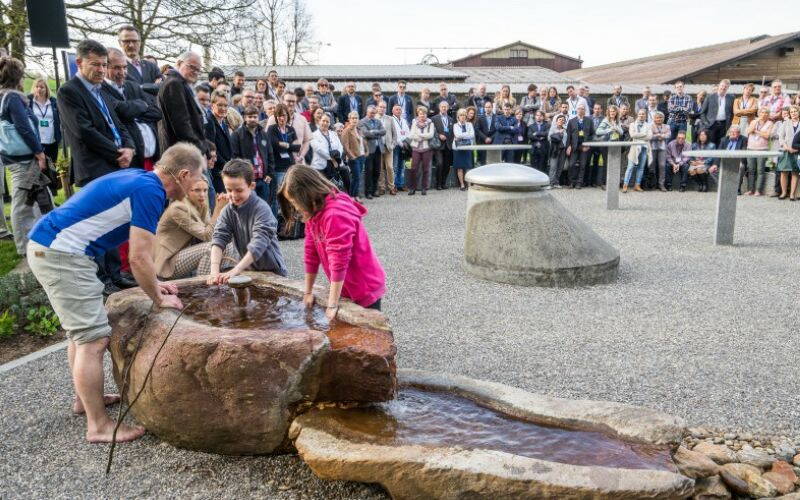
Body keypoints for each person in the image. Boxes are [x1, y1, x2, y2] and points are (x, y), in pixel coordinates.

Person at [28, 142, 203, 444]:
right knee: (93, 339)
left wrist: (155, 284)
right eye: (196, 179)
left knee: (80, 335)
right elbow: (138, 258)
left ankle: (85, 400)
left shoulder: (140, 178)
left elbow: (140, 261)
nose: (196, 186)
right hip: (62, 255)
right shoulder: (151, 192)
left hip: (52, 248)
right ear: (184, 174)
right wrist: (159, 299)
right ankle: (99, 426)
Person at [57, 40, 136, 293]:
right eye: (96, 65)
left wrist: (129, 148)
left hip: (114, 165)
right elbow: (83, 131)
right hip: (95, 168)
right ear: (79, 63)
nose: (101, 70)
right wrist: (116, 154)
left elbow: (120, 124)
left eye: (104, 65)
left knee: (113, 222)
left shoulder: (101, 91)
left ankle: (115, 274)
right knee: (99, 226)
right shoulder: (69, 91)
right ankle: (103, 280)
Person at [277, 165, 385, 319]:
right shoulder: (313, 213)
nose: (295, 207)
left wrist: (332, 304)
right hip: (347, 286)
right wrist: (308, 292)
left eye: (294, 202)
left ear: (306, 194)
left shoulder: (335, 214)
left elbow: (339, 260)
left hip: (364, 287)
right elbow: (311, 254)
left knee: (368, 337)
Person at [0, 57, 51, 256]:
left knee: (37, 198)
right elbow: (23, 127)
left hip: (14, 158)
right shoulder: (12, 97)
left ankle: (39, 238)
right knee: (22, 203)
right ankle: (24, 247)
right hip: (24, 160)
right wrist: (39, 152)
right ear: (18, 75)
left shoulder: (3, 96)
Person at [206, 159, 286, 284]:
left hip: (273, 271)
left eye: (239, 190)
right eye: (229, 190)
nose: (233, 195)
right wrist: (214, 271)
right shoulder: (227, 211)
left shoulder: (262, 209)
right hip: (246, 270)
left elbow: (258, 244)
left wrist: (235, 270)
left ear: (251, 186)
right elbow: (218, 238)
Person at [155, 176, 232, 279]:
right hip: (167, 263)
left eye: (205, 190)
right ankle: (204, 288)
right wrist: (218, 210)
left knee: (226, 244)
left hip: (183, 255)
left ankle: (220, 280)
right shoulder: (178, 208)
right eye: (197, 190)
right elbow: (208, 236)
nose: (202, 195)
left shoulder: (201, 204)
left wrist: (224, 209)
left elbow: (214, 232)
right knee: (209, 248)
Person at [102, 48, 162, 171]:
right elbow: (120, 110)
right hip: (129, 159)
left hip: (152, 157)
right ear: (105, 67)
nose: (122, 72)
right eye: (117, 68)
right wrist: (141, 105)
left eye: (125, 67)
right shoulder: (101, 89)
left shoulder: (131, 86)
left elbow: (156, 112)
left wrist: (133, 111)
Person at [158, 51, 208, 158]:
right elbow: (181, 123)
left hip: (183, 151)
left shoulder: (182, 84)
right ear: (179, 63)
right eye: (192, 67)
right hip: (179, 153)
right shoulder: (174, 84)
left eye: (198, 70)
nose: (195, 72)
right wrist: (199, 148)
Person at [231, 105, 273, 205]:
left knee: (263, 207)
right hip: (247, 180)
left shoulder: (263, 133)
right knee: (248, 207)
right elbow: (235, 157)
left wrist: (270, 173)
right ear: (245, 118)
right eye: (250, 117)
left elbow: (270, 154)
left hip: (263, 179)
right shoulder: (237, 135)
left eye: (255, 116)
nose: (252, 119)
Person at [310, 113, 350, 195]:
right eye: (323, 121)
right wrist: (332, 159)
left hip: (336, 162)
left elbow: (340, 147)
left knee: (345, 171)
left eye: (327, 122)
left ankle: (348, 196)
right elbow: (319, 150)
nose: (325, 123)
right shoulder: (314, 135)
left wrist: (337, 157)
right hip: (322, 164)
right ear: (319, 121)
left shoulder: (333, 134)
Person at [265, 104, 301, 192]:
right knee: (279, 193)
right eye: (279, 116)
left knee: (290, 193)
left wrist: (287, 145)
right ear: (276, 117)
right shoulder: (272, 129)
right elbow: (275, 144)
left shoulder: (291, 129)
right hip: (278, 168)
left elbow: (297, 147)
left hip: (290, 167)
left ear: (287, 116)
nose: (282, 118)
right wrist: (289, 146)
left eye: (284, 115)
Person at [205, 90, 233, 194]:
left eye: (226, 105)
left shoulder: (224, 124)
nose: (223, 108)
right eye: (220, 105)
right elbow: (211, 148)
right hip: (216, 171)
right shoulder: (209, 122)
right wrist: (226, 164)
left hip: (225, 169)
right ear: (212, 105)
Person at [28, 78, 61, 165]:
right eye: (37, 87)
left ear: (46, 89)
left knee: (52, 166)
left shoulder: (53, 102)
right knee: (39, 169)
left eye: (42, 87)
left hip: (52, 141)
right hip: (36, 142)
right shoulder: (29, 102)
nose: (39, 89)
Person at [357, 105, 386, 199]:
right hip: (368, 150)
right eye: (371, 113)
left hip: (378, 149)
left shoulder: (378, 121)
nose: (372, 114)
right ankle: (368, 192)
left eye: (374, 113)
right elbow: (365, 133)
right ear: (367, 112)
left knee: (377, 171)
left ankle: (374, 190)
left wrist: (374, 131)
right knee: (369, 171)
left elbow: (384, 131)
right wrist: (377, 133)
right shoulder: (362, 121)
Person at [743, 107, 773, 196]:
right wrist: (756, 122)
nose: (764, 114)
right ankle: (750, 190)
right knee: (751, 170)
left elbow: (767, 136)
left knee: (760, 170)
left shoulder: (770, 123)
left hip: (762, 149)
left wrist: (756, 131)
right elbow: (748, 131)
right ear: (759, 114)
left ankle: (758, 190)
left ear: (768, 115)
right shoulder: (753, 122)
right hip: (751, 148)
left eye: (766, 113)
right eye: (762, 113)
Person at [593, 105, 624, 190]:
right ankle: (604, 183)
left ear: (616, 112)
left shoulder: (617, 121)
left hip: (615, 145)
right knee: (607, 163)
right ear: (608, 112)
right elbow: (598, 131)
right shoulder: (606, 120)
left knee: (614, 164)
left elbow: (621, 132)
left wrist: (616, 127)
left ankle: (612, 183)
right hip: (606, 145)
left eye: (614, 111)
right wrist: (609, 130)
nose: (612, 113)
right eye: (611, 111)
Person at [622, 108, 652, 193]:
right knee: (630, 167)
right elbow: (632, 135)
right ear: (637, 115)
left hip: (644, 148)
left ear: (645, 116)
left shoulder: (648, 125)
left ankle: (637, 185)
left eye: (643, 114)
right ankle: (625, 185)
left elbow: (649, 137)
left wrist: (638, 135)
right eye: (640, 114)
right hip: (634, 148)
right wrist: (643, 134)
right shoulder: (632, 125)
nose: (641, 115)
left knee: (641, 168)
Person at [407, 106, 435, 196]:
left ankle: (424, 188)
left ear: (426, 114)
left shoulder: (430, 123)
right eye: (420, 114)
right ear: (418, 114)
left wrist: (419, 135)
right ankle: (412, 188)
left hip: (427, 149)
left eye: (424, 113)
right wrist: (420, 137)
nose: (422, 115)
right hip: (416, 148)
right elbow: (411, 135)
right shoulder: (414, 123)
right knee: (413, 168)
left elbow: (431, 135)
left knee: (426, 169)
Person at [565, 103, 594, 189]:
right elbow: (568, 135)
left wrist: (588, 145)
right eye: (579, 109)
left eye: (582, 109)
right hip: (574, 146)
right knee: (571, 165)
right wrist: (568, 146)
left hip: (584, 147)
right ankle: (571, 182)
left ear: (585, 111)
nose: (580, 110)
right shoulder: (571, 121)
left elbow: (592, 134)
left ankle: (579, 183)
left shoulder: (589, 121)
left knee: (583, 165)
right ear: (576, 110)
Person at [776, 105, 800, 200]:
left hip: (798, 152)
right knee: (784, 172)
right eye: (792, 112)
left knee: (795, 172)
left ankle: (792, 194)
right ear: (789, 114)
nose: (793, 113)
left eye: (795, 111)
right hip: (786, 150)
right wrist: (786, 147)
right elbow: (781, 137)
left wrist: (797, 149)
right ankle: (783, 192)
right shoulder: (786, 123)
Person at [700, 79, 734, 147]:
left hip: (724, 125)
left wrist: (729, 124)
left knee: (720, 145)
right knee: (710, 145)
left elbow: (732, 113)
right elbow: (702, 113)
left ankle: (718, 158)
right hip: (711, 125)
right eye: (722, 85)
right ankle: (710, 158)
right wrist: (706, 123)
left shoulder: (731, 98)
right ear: (719, 86)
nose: (723, 88)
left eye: (726, 86)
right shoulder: (710, 97)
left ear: (728, 88)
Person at [340, 111, 365, 201]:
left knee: (358, 177)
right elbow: (345, 146)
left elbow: (362, 142)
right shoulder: (346, 131)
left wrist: (366, 152)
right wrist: (352, 156)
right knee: (356, 177)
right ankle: (351, 197)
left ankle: (356, 195)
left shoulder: (358, 129)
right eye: (353, 118)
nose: (354, 120)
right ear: (349, 119)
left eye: (356, 118)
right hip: (354, 158)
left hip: (361, 156)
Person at [432, 101, 455, 189]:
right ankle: (438, 184)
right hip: (438, 145)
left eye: (445, 107)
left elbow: (452, 132)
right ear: (439, 107)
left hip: (448, 145)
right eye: (442, 107)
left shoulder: (451, 119)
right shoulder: (434, 118)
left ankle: (443, 183)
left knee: (447, 165)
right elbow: (432, 131)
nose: (444, 108)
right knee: (439, 164)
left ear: (448, 108)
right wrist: (438, 135)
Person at [716, 125, 747, 190]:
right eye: (731, 132)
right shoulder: (724, 139)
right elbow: (719, 153)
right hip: (725, 161)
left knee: (741, 167)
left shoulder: (744, 139)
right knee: (712, 169)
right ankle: (724, 186)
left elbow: (743, 153)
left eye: (734, 132)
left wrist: (737, 162)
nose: (732, 134)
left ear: (739, 133)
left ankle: (737, 188)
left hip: (737, 161)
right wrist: (715, 164)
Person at [452, 108, 475, 191]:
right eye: (461, 115)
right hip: (458, 149)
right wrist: (466, 135)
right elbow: (457, 135)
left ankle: (468, 184)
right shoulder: (455, 125)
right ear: (458, 116)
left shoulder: (469, 124)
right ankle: (462, 184)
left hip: (467, 147)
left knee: (468, 166)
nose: (463, 117)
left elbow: (472, 135)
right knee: (460, 167)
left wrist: (462, 135)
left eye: (464, 115)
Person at [389, 104, 410, 191]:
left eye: (400, 109)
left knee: (402, 166)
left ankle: (400, 184)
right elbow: (394, 134)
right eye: (396, 109)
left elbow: (407, 132)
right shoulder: (391, 120)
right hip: (396, 145)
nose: (398, 111)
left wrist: (405, 142)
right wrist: (400, 143)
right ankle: (394, 185)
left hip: (404, 146)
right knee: (395, 166)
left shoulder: (404, 120)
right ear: (393, 111)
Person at [649, 111, 671, 191]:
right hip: (652, 148)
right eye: (657, 117)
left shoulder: (667, 126)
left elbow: (669, 135)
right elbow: (649, 136)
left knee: (662, 166)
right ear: (654, 118)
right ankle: (653, 184)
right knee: (652, 166)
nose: (659, 119)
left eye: (661, 117)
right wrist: (660, 136)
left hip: (662, 148)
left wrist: (659, 135)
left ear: (663, 118)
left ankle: (661, 184)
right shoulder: (650, 126)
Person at [547, 115, 568, 188]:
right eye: (559, 119)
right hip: (555, 150)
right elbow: (550, 138)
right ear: (556, 121)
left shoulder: (565, 129)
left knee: (560, 167)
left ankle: (556, 182)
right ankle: (550, 183)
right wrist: (559, 132)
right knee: (553, 167)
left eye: (563, 120)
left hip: (563, 150)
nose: (561, 121)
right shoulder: (553, 128)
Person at [474, 100, 496, 166]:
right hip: (482, 141)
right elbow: (477, 129)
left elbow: (498, 130)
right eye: (486, 107)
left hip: (493, 141)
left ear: (492, 108)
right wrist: (485, 138)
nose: (487, 109)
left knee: (492, 161)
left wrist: (491, 138)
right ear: (484, 108)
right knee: (483, 162)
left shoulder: (497, 117)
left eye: (489, 107)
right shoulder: (480, 118)